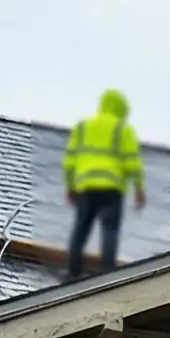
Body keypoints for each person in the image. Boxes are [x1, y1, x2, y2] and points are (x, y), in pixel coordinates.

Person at [61, 89, 146, 280]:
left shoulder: (83, 126)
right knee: (110, 230)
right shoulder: (123, 130)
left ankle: (72, 271)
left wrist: (70, 185)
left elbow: (70, 160)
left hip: (87, 187)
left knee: (80, 229)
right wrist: (139, 188)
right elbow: (132, 162)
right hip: (111, 189)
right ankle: (107, 273)